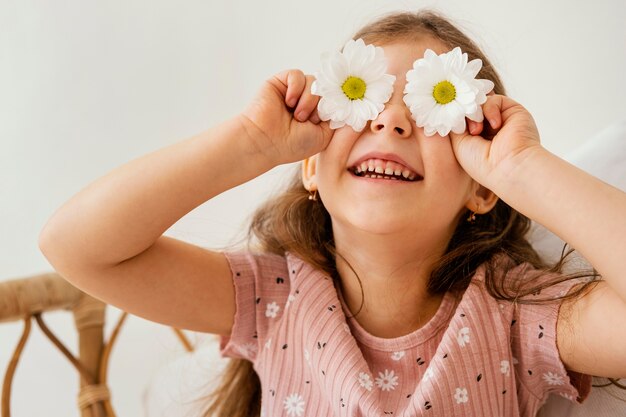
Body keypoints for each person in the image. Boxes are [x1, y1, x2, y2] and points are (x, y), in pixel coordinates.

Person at [38, 9, 626, 417]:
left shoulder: (515, 317)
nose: (391, 122)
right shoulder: (274, 301)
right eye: (363, 99)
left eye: (429, 113)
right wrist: (247, 142)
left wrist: (522, 168)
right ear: (312, 168)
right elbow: (75, 246)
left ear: (479, 189)